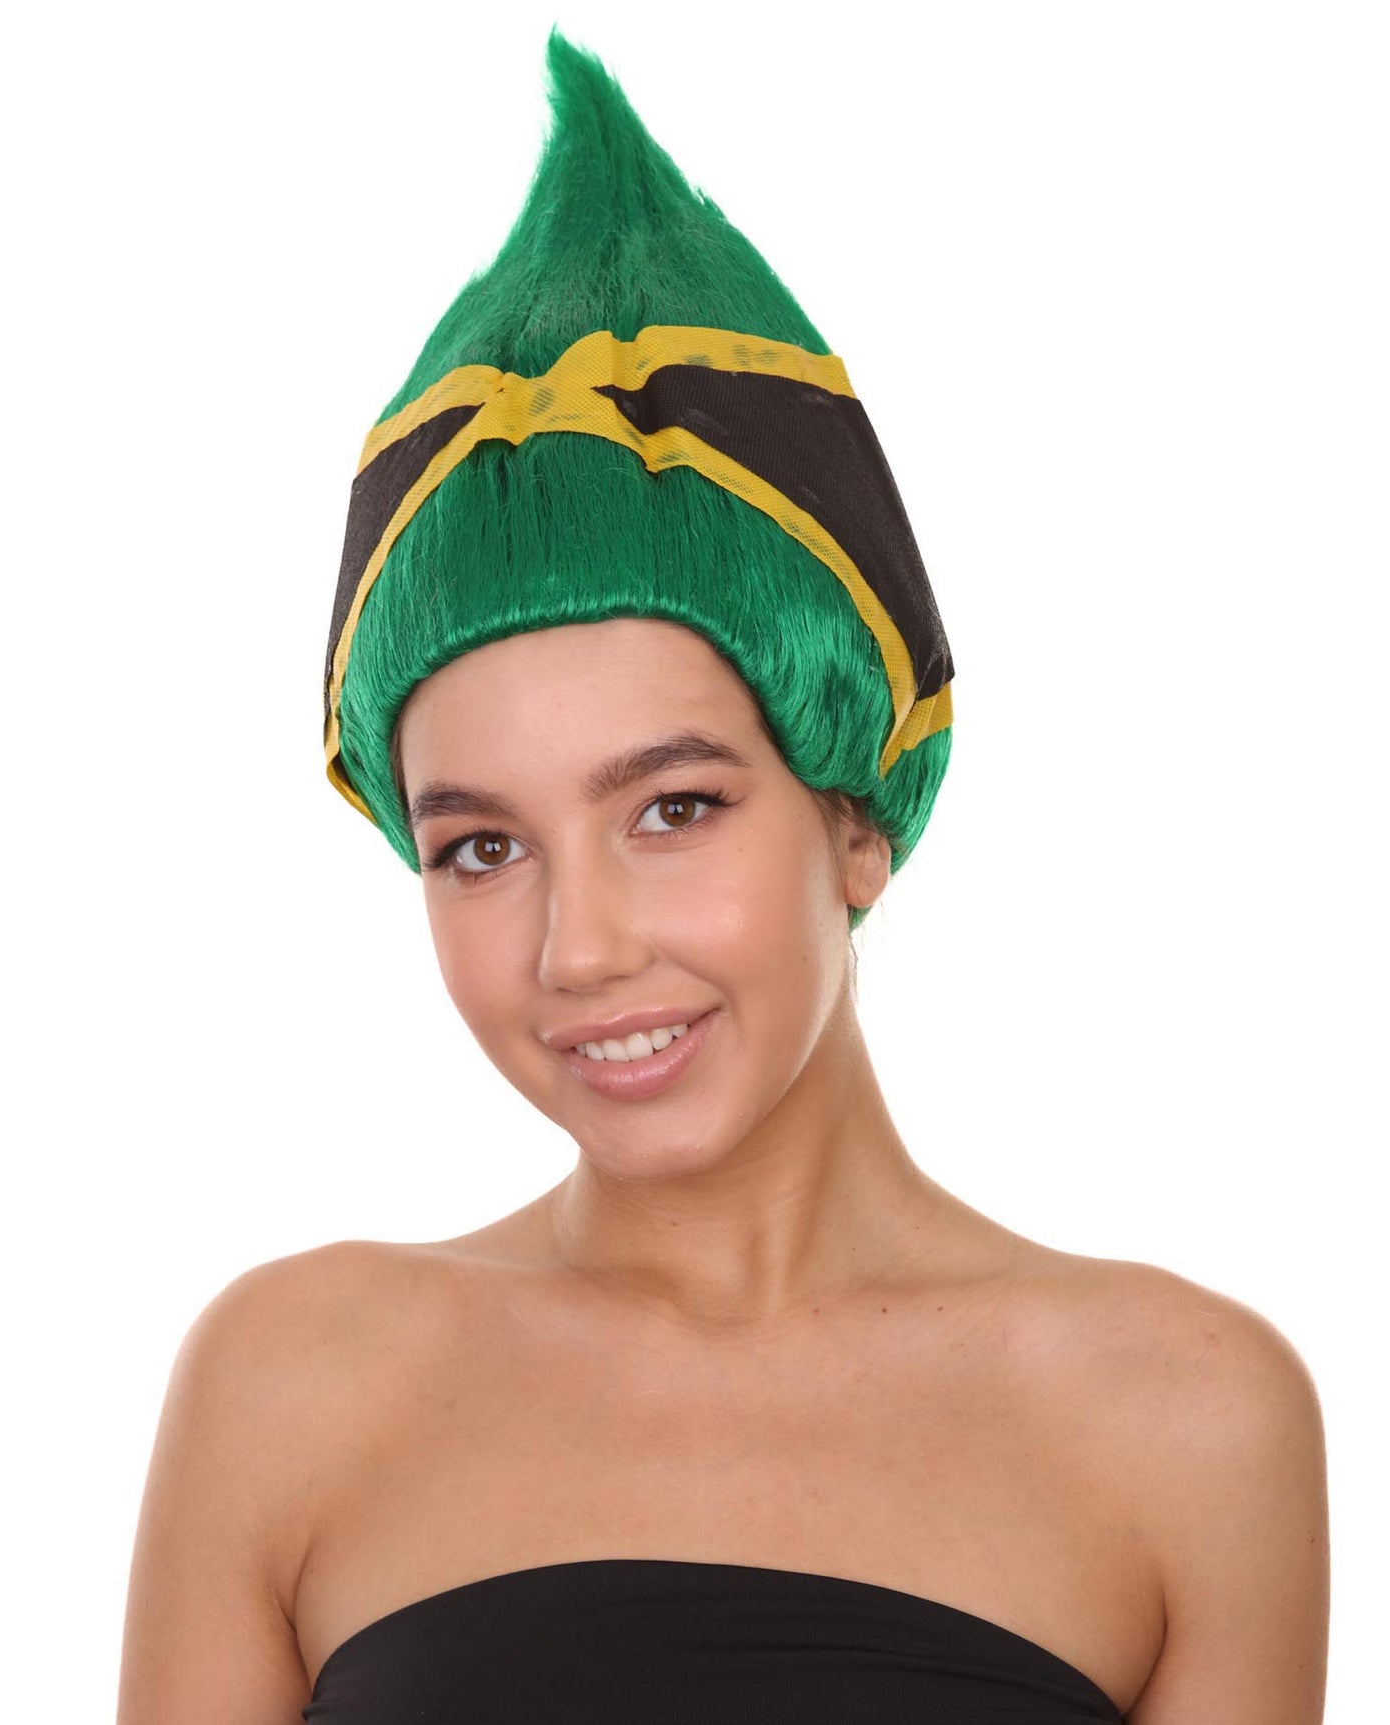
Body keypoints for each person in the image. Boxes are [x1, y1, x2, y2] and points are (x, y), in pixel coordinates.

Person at [116, 27, 1330, 1725]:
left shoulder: (1184, 1418)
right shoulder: (295, 1380)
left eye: (672, 807)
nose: (578, 947)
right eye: (481, 847)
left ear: (858, 812)